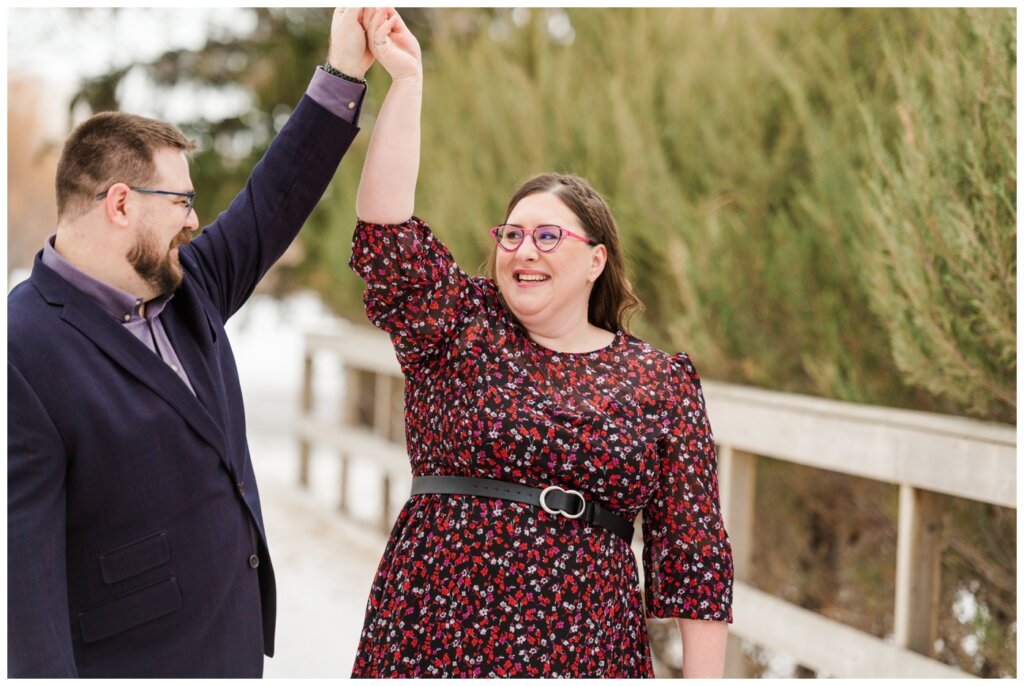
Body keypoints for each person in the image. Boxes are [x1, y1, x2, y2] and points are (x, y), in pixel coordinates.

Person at [348, 8, 733, 678]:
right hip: (436, 634)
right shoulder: (458, 330)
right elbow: (386, 233)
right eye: (513, 235)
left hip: (583, 651)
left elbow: (694, 558)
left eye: (549, 236)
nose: (525, 250)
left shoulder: (659, 382)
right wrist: (407, 83)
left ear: (596, 262)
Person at [7, 8, 376, 678]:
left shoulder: (187, 283)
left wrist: (344, 70)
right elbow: (23, 590)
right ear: (120, 204)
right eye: (180, 201)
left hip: (231, 652)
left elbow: (273, 200)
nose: (196, 220)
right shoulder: (20, 350)